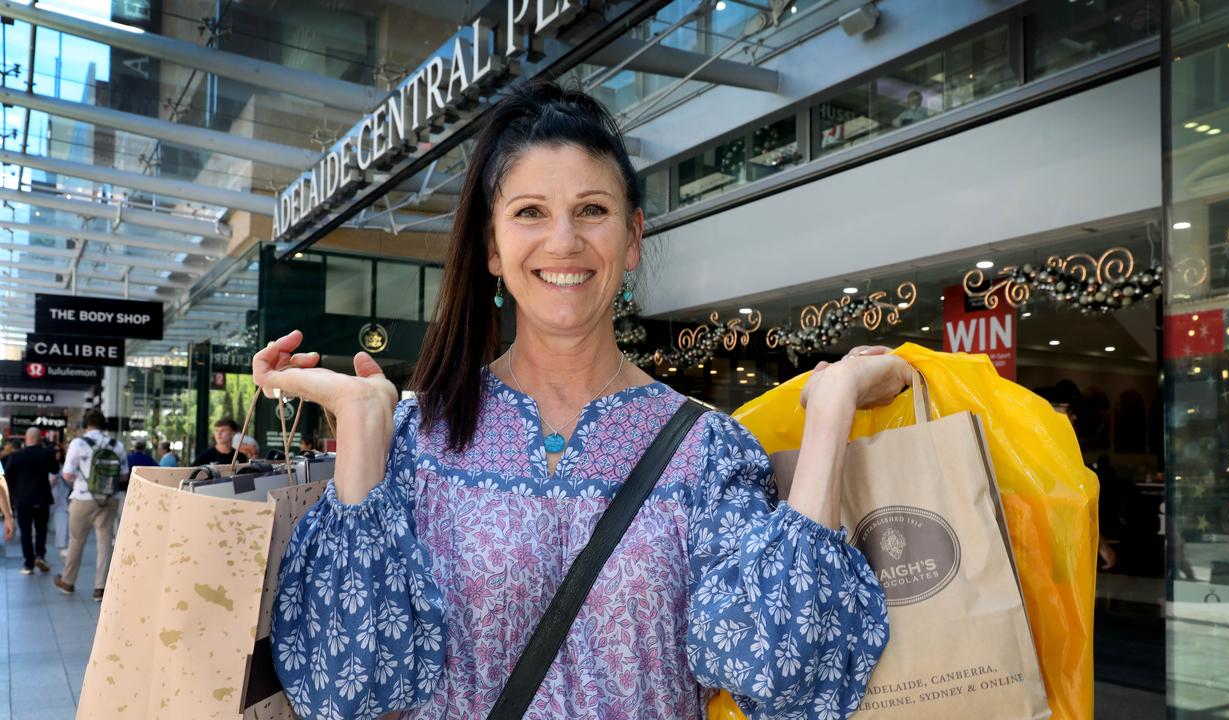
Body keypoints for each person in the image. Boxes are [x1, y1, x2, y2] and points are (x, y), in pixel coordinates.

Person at [258, 82, 909, 719]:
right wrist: (366, 434)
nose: (563, 241)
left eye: (592, 210)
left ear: (631, 239)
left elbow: (781, 684)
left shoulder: (706, 452)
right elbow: (346, 693)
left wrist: (830, 413)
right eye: (530, 212)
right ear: (492, 245)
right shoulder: (422, 438)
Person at [55, 409, 129, 601]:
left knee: (76, 540)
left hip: (82, 498)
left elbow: (67, 474)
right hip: (108, 499)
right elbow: (123, 475)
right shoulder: (117, 445)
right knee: (105, 542)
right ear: (104, 425)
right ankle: (101, 588)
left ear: (85, 425)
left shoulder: (78, 443)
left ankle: (68, 582)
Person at [5, 428, 59, 574]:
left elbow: (8, 478)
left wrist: (14, 493)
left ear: (26, 438)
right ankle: (40, 555)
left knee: (26, 532)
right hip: (42, 498)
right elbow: (55, 470)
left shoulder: (15, 456)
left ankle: (28, 564)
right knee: (41, 529)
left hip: (22, 500)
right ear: (39, 439)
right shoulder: (46, 454)